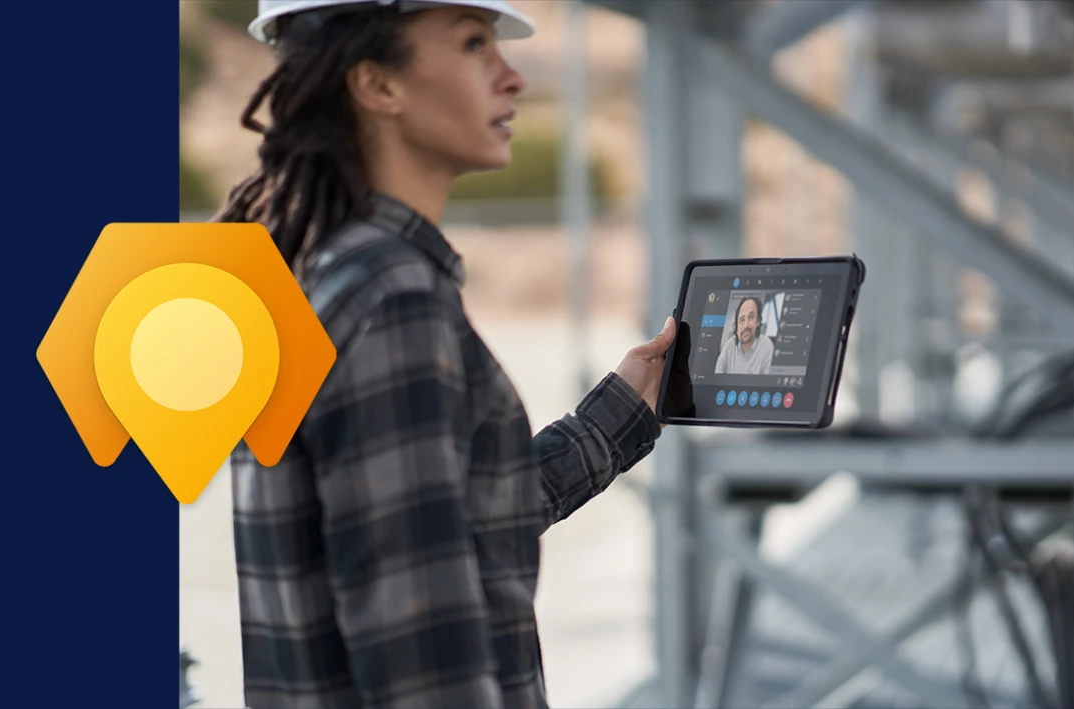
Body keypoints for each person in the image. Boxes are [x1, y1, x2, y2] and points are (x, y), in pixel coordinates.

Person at [215, 1, 675, 707]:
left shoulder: (315, 275)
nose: (513, 76)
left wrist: (615, 416)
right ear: (378, 85)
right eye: (472, 44)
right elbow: (422, 660)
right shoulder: (394, 296)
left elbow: (442, 524)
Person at [715, 296, 774, 375]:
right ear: (737, 327)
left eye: (751, 317)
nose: (746, 325)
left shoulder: (766, 346)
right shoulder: (729, 345)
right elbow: (717, 373)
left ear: (758, 321)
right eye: (742, 320)